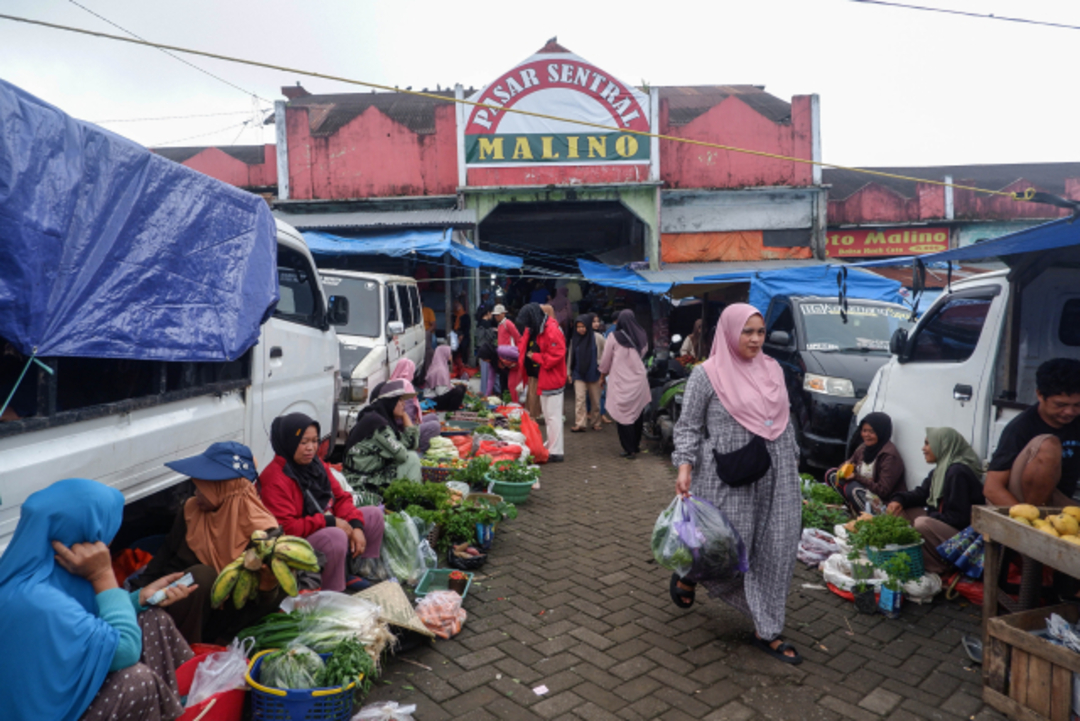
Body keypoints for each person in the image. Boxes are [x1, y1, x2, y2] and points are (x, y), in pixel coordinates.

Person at [670, 304, 803, 665]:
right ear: (729, 332)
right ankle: (689, 575)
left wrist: (793, 462)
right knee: (726, 547)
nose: (756, 339)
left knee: (777, 548)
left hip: (776, 477)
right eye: (748, 332)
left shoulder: (773, 368)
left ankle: (767, 629)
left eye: (760, 332)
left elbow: (784, 419)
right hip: (729, 477)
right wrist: (685, 466)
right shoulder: (706, 375)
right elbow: (688, 427)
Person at [0, 478, 197, 721]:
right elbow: (126, 650)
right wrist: (103, 575)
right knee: (136, 681)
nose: (112, 536)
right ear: (85, 535)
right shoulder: (38, 601)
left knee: (152, 618)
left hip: (59, 695)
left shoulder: (38, 574)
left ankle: (190, 705)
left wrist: (137, 600)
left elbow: (81, 621)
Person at [132, 442, 283, 644]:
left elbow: (255, 605)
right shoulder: (191, 510)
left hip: (225, 621)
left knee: (205, 577)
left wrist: (268, 588)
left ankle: (197, 649)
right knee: (201, 576)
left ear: (225, 488)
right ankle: (172, 648)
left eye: (202, 487)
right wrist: (134, 598)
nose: (196, 494)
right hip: (174, 604)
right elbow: (162, 559)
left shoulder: (264, 534)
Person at [259, 413, 385, 593]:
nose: (311, 448)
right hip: (296, 542)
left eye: (315, 441)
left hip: (323, 525)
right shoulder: (275, 478)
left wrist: (356, 526)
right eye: (303, 442)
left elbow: (341, 498)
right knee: (335, 536)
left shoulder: (316, 465)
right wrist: (329, 522)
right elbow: (285, 528)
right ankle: (332, 592)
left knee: (373, 515)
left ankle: (358, 572)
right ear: (288, 442)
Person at [886, 428, 985, 575]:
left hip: (965, 537)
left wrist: (930, 517)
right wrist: (898, 499)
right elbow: (921, 494)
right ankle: (911, 558)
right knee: (902, 510)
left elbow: (960, 518)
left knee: (922, 523)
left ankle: (938, 568)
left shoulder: (958, 473)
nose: (923, 448)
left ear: (942, 445)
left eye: (928, 443)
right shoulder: (941, 470)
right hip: (947, 526)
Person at [984, 358, 1080, 507]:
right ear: (1040, 395)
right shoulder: (1020, 427)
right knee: (1049, 445)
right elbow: (992, 488)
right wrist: (1028, 520)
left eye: (1077, 405)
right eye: (1061, 405)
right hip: (1018, 501)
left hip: (1057, 500)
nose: (1070, 411)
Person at [343, 380, 425, 488]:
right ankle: (412, 498)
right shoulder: (377, 424)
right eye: (400, 400)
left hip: (372, 474)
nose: (404, 404)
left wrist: (404, 415)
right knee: (412, 459)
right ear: (389, 402)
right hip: (360, 482)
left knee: (411, 456)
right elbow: (402, 456)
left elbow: (412, 444)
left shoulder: (383, 420)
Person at [517, 302, 567, 462]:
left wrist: (536, 357)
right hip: (546, 378)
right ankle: (552, 446)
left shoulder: (551, 330)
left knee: (553, 416)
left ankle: (556, 451)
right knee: (549, 416)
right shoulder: (544, 328)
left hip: (552, 378)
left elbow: (556, 355)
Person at [599, 310, 651, 459]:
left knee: (623, 414)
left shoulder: (613, 337)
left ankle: (629, 449)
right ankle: (636, 445)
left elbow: (605, 360)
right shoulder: (642, 335)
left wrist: (602, 376)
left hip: (620, 381)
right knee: (637, 412)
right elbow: (644, 352)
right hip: (639, 380)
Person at [831, 413, 905, 513]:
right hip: (864, 491)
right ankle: (850, 507)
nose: (866, 435)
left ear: (881, 432)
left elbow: (883, 491)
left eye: (872, 432)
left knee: (852, 489)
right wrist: (844, 469)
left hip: (882, 501)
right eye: (864, 430)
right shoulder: (863, 448)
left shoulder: (889, 456)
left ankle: (869, 515)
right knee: (832, 474)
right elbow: (849, 462)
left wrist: (856, 477)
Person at [390, 358, 441, 454]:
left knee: (433, 417)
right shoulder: (405, 386)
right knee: (434, 426)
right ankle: (419, 450)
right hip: (401, 430)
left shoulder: (393, 383)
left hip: (404, 424)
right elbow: (404, 419)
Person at [567, 313, 606, 432]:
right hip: (578, 373)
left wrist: (604, 373)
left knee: (595, 401)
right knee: (580, 399)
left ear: (588, 326)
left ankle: (596, 422)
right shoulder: (575, 339)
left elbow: (605, 354)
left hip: (594, 373)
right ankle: (580, 423)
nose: (581, 329)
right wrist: (568, 372)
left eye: (583, 326)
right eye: (578, 327)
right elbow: (570, 356)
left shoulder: (597, 338)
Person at [425, 344, 466, 411]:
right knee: (459, 391)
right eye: (450, 354)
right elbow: (440, 392)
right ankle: (452, 410)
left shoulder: (439, 365)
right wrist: (453, 390)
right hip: (434, 401)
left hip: (437, 397)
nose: (451, 356)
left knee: (461, 387)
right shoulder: (440, 370)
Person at [475, 305, 499, 397]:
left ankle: (485, 392)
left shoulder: (479, 323)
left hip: (481, 351)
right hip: (486, 352)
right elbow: (490, 337)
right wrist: (495, 331)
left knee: (485, 374)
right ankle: (486, 394)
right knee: (488, 374)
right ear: (488, 313)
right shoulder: (486, 324)